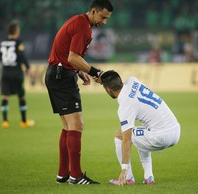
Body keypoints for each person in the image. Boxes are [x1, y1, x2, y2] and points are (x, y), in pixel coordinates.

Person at [45, 0, 113, 185]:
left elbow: (69, 55)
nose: (104, 22)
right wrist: (97, 72)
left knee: (68, 126)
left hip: (56, 73)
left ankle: (63, 174)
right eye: (103, 17)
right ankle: (75, 176)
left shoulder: (78, 21)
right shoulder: (84, 28)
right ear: (93, 11)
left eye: (107, 19)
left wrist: (80, 70)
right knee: (77, 124)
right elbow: (73, 56)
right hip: (61, 76)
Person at [99, 70, 181, 186]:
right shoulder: (132, 81)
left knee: (120, 135)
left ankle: (128, 178)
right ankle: (149, 177)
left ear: (108, 89)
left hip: (161, 136)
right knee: (140, 133)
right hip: (176, 130)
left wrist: (124, 168)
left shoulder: (125, 106)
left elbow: (126, 140)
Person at [0, 21, 34, 128]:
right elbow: (22, 56)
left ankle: (5, 121)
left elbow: (0, 55)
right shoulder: (18, 42)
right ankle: (23, 121)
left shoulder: (3, 42)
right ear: (16, 31)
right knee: (21, 97)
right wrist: (28, 69)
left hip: (5, 73)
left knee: (5, 97)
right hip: (17, 73)